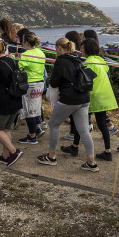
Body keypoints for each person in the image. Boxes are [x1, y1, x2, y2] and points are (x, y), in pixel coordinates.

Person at [36, 37, 98, 172]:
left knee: (53, 124)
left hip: (70, 98)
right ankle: (91, 162)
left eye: (56, 48)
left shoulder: (61, 60)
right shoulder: (77, 58)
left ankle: (51, 156)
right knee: (83, 130)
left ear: (59, 48)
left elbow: (54, 82)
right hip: (84, 97)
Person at [66, 38, 116, 161]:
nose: (81, 52)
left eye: (82, 49)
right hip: (104, 96)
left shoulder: (89, 63)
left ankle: (75, 146)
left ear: (87, 50)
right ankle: (107, 151)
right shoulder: (101, 61)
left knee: (81, 122)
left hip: (94, 97)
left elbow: (85, 81)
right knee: (102, 124)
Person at [16, 32, 46, 145]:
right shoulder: (41, 52)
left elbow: (19, 67)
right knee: (36, 108)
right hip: (40, 83)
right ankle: (37, 129)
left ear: (26, 43)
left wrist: (16, 58)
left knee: (29, 111)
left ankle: (32, 136)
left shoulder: (26, 54)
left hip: (30, 84)